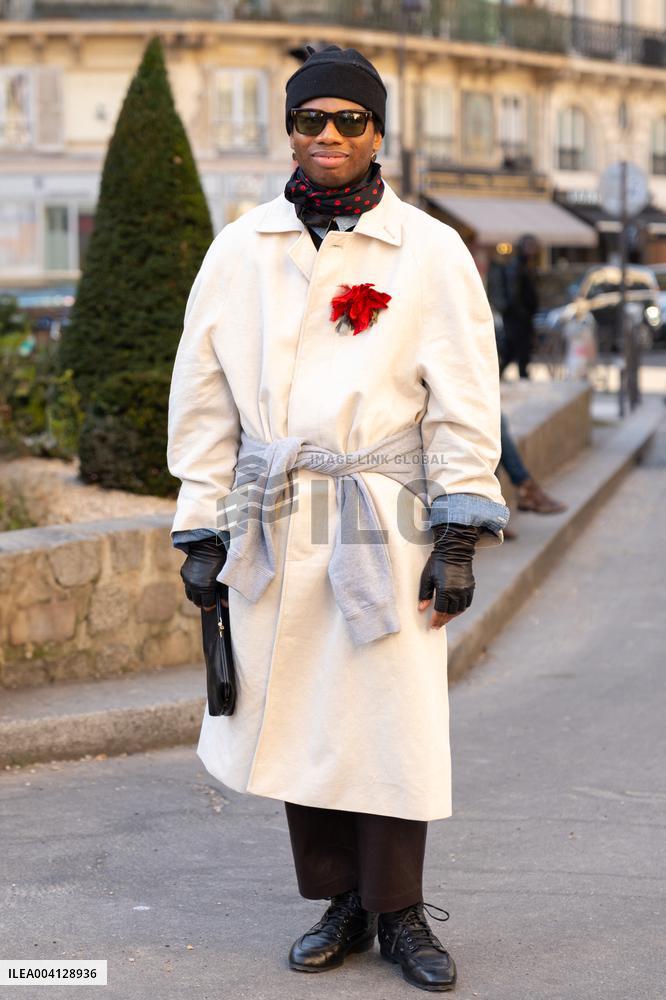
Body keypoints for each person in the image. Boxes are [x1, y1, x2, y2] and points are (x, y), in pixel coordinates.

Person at [166, 44, 509, 993]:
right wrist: (202, 528)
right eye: (310, 119)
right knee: (299, 714)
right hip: (276, 513)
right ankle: (340, 903)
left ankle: (399, 912)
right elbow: (201, 400)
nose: (328, 136)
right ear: (289, 129)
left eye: (348, 120)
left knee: (391, 722)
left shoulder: (431, 250)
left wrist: (457, 537)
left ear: (378, 132)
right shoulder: (241, 248)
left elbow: (465, 404)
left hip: (384, 516)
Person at [488, 233, 540, 379]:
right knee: (514, 348)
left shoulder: (527, 265)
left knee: (517, 349)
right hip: (516, 317)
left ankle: (513, 375)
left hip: (523, 316)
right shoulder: (516, 266)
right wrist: (521, 312)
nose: (532, 249)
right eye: (529, 246)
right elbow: (514, 292)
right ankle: (511, 376)